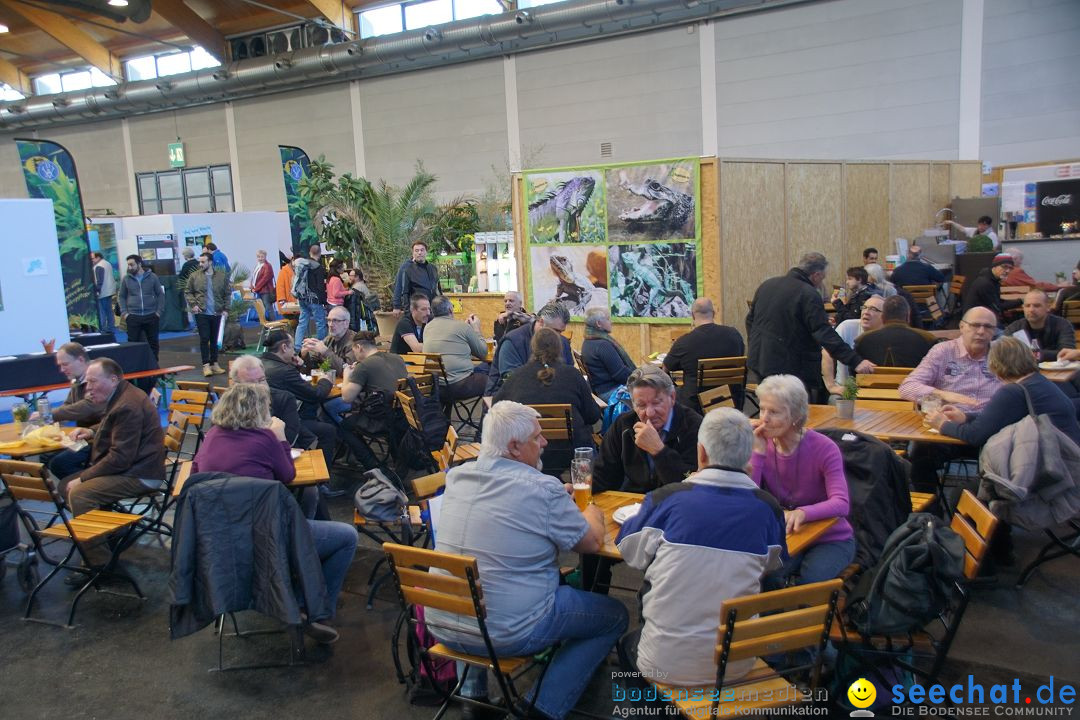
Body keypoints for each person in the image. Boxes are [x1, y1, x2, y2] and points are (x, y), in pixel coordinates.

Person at [425, 401, 628, 720]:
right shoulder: (542, 489)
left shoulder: (458, 477)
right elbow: (590, 542)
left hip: (441, 620)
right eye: (538, 436)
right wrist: (591, 511)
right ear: (515, 447)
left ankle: (472, 697)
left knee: (473, 575)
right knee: (614, 615)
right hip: (512, 631)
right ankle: (539, 708)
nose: (544, 442)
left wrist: (553, 499)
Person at [616, 408, 786, 687]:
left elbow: (630, 553)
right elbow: (771, 565)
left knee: (628, 644)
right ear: (748, 457)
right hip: (735, 663)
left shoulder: (667, 499)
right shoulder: (767, 508)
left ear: (701, 453)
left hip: (665, 663)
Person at [189, 382, 357, 645]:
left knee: (306, 504)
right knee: (346, 536)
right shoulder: (264, 439)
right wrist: (279, 437)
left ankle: (294, 588)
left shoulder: (211, 437)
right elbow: (288, 474)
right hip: (267, 538)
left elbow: (195, 475)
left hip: (217, 540)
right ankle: (311, 608)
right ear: (258, 410)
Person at [750, 374, 854, 588]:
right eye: (762, 409)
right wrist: (758, 454)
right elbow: (749, 499)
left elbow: (841, 503)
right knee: (767, 578)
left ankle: (815, 620)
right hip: (788, 536)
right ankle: (774, 622)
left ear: (796, 416)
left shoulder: (824, 448)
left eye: (774, 412)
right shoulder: (760, 445)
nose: (764, 419)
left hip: (830, 537)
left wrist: (803, 512)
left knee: (810, 582)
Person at [746, 252, 874, 403]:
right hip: (789, 365)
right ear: (816, 275)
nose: (822, 283)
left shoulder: (767, 285)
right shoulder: (808, 293)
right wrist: (855, 360)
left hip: (759, 359)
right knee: (792, 412)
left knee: (768, 407)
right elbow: (823, 332)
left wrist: (757, 343)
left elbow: (750, 320)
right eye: (823, 278)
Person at [899, 306, 1003, 491]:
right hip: (949, 427)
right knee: (920, 454)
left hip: (990, 429)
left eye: (988, 327)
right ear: (962, 327)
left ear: (994, 331)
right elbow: (907, 387)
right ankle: (931, 514)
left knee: (1009, 455)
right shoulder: (943, 351)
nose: (981, 331)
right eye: (975, 325)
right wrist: (942, 393)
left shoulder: (1002, 354)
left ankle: (985, 513)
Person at [62, 358, 165, 531]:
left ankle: (97, 556)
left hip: (141, 473)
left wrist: (83, 478)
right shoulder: (124, 395)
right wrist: (92, 431)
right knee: (67, 483)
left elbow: (120, 458)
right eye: (88, 382)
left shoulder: (127, 405)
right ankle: (107, 531)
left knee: (80, 493)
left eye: (93, 382)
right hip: (138, 467)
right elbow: (116, 425)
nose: (88, 388)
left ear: (113, 380)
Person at [926, 337, 1080, 447]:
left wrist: (942, 424)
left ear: (995, 365)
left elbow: (975, 436)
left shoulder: (1013, 391)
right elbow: (996, 418)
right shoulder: (1038, 381)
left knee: (963, 490)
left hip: (1050, 470)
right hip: (1067, 459)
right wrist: (965, 417)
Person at [494, 328, 601, 470]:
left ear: (533, 348)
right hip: (572, 451)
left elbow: (497, 407)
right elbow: (593, 416)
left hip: (531, 451)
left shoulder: (518, 376)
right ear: (559, 348)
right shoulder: (573, 375)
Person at [593, 364, 701, 495]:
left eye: (656, 403)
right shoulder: (624, 426)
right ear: (633, 404)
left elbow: (689, 488)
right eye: (641, 405)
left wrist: (658, 450)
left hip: (675, 506)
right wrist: (581, 486)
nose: (650, 413)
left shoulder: (693, 427)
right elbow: (604, 475)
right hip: (632, 507)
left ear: (672, 397)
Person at [260, 329, 339, 470]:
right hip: (287, 422)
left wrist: (299, 366)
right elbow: (316, 394)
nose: (294, 352)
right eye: (292, 348)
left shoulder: (260, 363)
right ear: (284, 347)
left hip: (265, 417)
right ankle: (320, 478)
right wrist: (326, 380)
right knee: (328, 430)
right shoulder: (285, 371)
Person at [37, 343, 106, 481]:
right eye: (60, 365)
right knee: (46, 455)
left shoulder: (98, 377)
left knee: (60, 462)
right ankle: (79, 488)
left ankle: (89, 489)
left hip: (102, 437)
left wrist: (50, 415)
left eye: (65, 364)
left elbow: (87, 406)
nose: (62, 369)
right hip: (84, 436)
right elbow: (69, 406)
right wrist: (51, 421)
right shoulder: (78, 379)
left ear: (81, 360)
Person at [661, 298, 745, 409]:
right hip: (732, 400)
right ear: (714, 313)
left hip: (696, 404)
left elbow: (665, 370)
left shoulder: (684, 342)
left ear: (692, 315)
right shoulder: (734, 334)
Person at [230, 354, 318, 452]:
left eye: (262, 380)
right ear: (235, 386)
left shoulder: (284, 399)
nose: (259, 387)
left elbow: (290, 438)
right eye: (251, 383)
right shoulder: (227, 405)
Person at [487, 302, 574, 396]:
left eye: (561, 332)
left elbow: (569, 375)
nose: (558, 336)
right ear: (541, 322)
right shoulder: (513, 341)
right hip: (509, 400)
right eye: (555, 330)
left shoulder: (563, 342)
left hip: (548, 398)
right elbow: (512, 381)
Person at [422, 295, 489, 402]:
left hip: (437, 387)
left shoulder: (427, 328)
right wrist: (476, 329)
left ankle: (446, 416)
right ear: (450, 309)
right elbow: (482, 353)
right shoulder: (462, 327)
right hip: (460, 385)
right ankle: (489, 417)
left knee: (484, 367)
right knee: (494, 379)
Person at [823, 294, 885, 397]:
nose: (866, 312)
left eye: (873, 309)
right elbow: (826, 352)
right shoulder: (847, 326)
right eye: (864, 308)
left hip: (876, 393)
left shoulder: (888, 334)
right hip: (845, 391)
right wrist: (831, 386)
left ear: (884, 317)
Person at [855, 296, 939, 367]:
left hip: (870, 386)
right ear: (908, 317)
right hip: (912, 386)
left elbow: (854, 371)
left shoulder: (862, 340)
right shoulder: (928, 339)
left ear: (883, 317)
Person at [183, 251, 230, 377]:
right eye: (200, 261)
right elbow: (188, 292)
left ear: (210, 262)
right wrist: (194, 305)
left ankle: (214, 363)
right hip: (201, 312)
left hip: (217, 312)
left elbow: (227, 293)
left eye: (203, 262)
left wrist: (226, 309)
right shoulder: (194, 276)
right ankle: (206, 365)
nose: (200, 264)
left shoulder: (221, 276)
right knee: (204, 338)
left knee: (215, 339)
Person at [581, 307, 635, 400]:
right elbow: (621, 375)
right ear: (599, 324)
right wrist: (641, 378)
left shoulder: (588, 341)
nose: (611, 322)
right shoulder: (602, 345)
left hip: (600, 390)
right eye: (608, 319)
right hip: (610, 392)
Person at [1005, 290, 1076, 362]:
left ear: (1048, 307)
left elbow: (1067, 353)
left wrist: (1032, 354)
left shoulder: (1062, 325)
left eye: (1037, 306)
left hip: (1057, 370)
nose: (1031, 310)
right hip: (1025, 371)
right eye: (1027, 306)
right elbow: (1006, 354)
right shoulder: (1013, 328)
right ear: (1023, 308)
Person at [118, 254, 164, 359]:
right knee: (133, 344)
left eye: (132, 264)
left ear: (139, 264)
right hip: (133, 316)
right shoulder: (126, 279)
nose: (129, 267)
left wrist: (158, 312)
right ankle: (136, 368)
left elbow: (160, 294)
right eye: (128, 265)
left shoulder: (153, 277)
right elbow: (121, 296)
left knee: (153, 343)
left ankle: (154, 367)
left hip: (151, 315)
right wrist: (125, 313)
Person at [342, 331, 408, 403]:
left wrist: (346, 374)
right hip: (404, 409)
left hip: (381, 411)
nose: (354, 354)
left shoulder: (363, 366)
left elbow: (347, 398)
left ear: (359, 347)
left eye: (353, 351)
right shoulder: (398, 358)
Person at [962, 253, 1021, 322]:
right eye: (1004, 267)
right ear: (994, 266)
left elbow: (998, 302)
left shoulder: (993, 280)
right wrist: (1021, 301)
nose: (1008, 271)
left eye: (1010, 268)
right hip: (975, 323)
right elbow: (997, 307)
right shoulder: (985, 283)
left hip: (983, 318)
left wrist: (1019, 301)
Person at [301, 305, 356, 375]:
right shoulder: (328, 339)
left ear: (346, 323)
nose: (330, 324)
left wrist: (325, 351)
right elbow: (313, 368)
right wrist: (305, 355)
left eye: (335, 320)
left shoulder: (355, 341)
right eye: (329, 320)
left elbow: (347, 370)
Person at [293, 245, 328, 351]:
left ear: (309, 252)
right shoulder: (318, 267)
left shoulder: (304, 265)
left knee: (302, 322)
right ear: (320, 253)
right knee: (320, 322)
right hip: (315, 299)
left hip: (302, 298)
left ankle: (297, 346)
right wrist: (324, 301)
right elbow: (320, 287)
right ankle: (320, 346)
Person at [392, 240, 440, 313]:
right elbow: (402, 290)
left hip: (433, 309)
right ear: (413, 253)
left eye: (422, 250)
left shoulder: (433, 268)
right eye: (416, 251)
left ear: (426, 252)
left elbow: (438, 288)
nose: (419, 253)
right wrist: (397, 306)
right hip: (417, 309)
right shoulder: (407, 268)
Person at [344, 268, 379, 333]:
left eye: (351, 276)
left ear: (357, 277)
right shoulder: (360, 285)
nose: (349, 278)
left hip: (362, 314)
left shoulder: (357, 287)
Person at [91, 252, 116, 334]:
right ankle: (111, 327)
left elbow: (99, 281)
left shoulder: (99, 266)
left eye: (93, 258)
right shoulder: (107, 263)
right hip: (109, 290)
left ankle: (103, 328)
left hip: (103, 292)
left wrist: (97, 291)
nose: (92, 260)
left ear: (98, 257)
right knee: (109, 311)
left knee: (102, 312)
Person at [250, 249, 276, 320]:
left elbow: (264, 279)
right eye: (259, 257)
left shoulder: (267, 266)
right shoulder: (258, 265)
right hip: (260, 291)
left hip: (266, 291)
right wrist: (251, 286)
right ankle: (267, 325)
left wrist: (256, 288)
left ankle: (273, 324)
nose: (260, 258)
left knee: (268, 308)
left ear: (265, 257)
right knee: (263, 309)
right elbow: (254, 277)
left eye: (262, 257)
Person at [276, 252, 297, 317]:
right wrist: (282, 302)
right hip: (288, 307)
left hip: (295, 305)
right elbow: (280, 288)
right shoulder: (283, 272)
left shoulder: (297, 271)